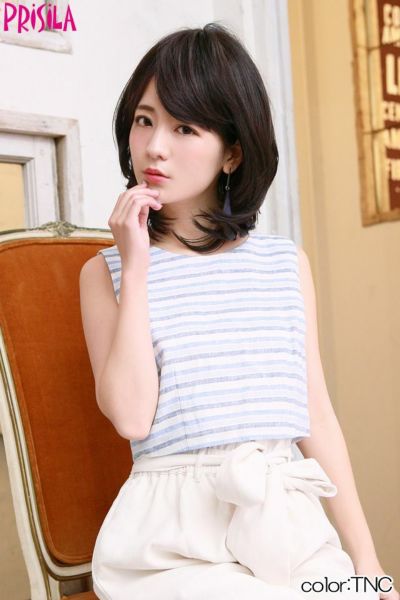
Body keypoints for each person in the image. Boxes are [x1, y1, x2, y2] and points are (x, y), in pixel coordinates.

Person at [79, 22, 397, 600]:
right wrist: (138, 264)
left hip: (288, 528)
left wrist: (368, 564)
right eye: (145, 120)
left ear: (232, 153)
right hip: (169, 543)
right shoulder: (107, 273)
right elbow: (131, 418)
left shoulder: (284, 264)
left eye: (184, 127)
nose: (155, 146)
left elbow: (316, 417)